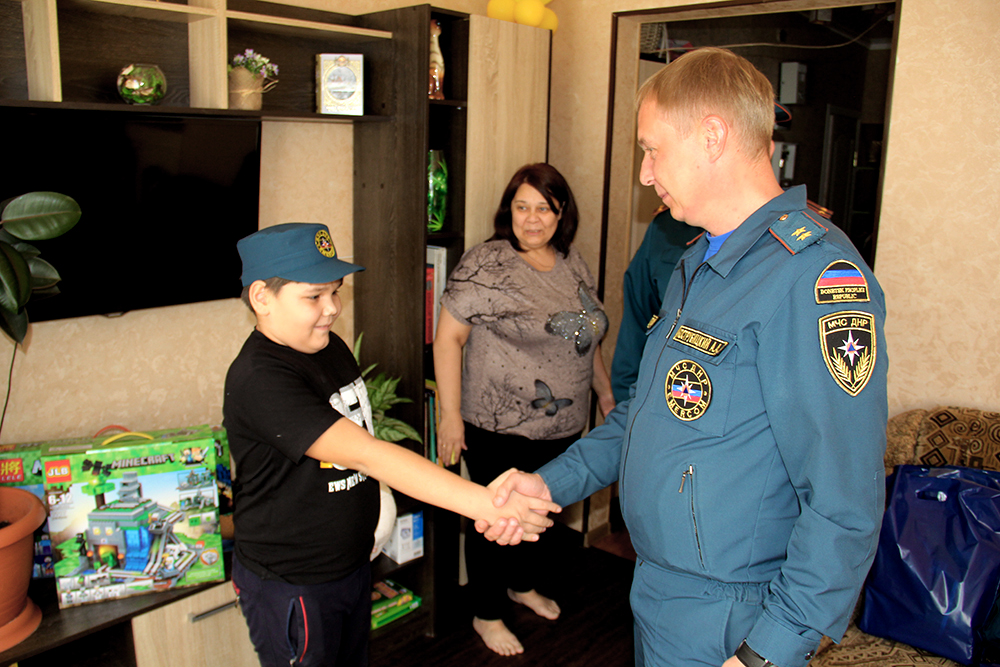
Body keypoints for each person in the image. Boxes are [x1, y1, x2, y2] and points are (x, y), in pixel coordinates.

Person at [484, 48, 889, 667]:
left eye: (651, 149)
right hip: (658, 592)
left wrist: (765, 653)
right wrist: (546, 484)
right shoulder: (696, 263)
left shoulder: (814, 279)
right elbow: (644, 419)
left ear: (712, 136)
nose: (645, 173)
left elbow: (844, 500)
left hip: (735, 618)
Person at [223, 222, 561, 667]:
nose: (333, 308)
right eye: (314, 297)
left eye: (335, 291)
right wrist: (486, 504)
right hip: (295, 580)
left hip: (347, 566)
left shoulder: (328, 346)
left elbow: (357, 450)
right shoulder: (261, 379)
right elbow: (367, 453)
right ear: (261, 297)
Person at [433, 163, 615, 656]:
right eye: (521, 207)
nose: (531, 219)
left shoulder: (571, 261)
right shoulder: (487, 264)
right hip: (499, 423)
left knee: (541, 513)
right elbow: (447, 338)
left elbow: (587, 337)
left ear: (561, 214)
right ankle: (486, 613)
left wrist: (603, 392)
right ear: (507, 210)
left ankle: (521, 585)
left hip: (563, 422)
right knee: (496, 521)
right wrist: (450, 414)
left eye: (543, 208)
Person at [610, 205, 701, 402]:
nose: (646, 178)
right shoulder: (667, 227)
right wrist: (626, 404)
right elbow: (636, 325)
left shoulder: (771, 233)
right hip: (661, 398)